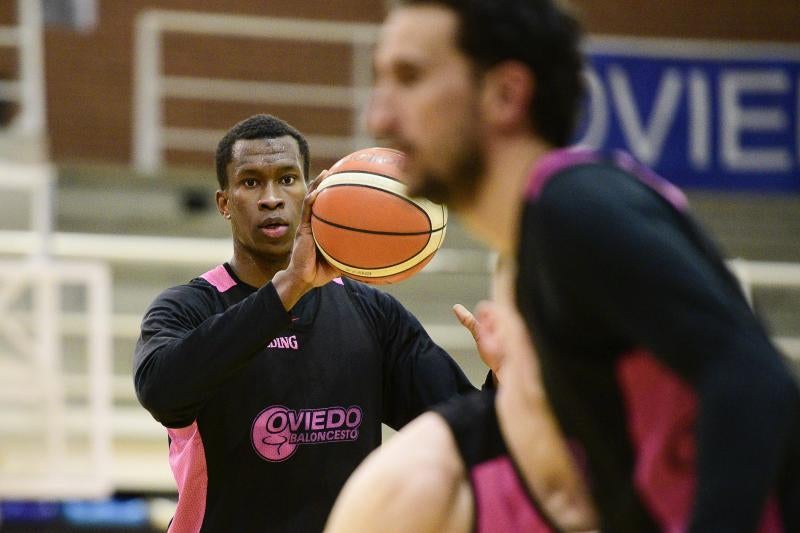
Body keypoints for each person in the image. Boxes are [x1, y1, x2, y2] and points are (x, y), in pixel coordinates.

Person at [333, 1, 800, 532]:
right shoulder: (541, 239)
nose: (379, 117)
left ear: (505, 94)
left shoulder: (572, 207)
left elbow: (754, 378)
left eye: (410, 77)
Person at [133, 113, 494, 533]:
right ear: (225, 203)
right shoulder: (187, 307)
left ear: (311, 191)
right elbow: (161, 391)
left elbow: (464, 434)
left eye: (287, 179)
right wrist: (286, 289)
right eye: (251, 182)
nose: (272, 197)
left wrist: (505, 379)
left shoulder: (372, 313)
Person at [326, 258, 598, 532]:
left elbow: (460, 416)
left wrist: (508, 387)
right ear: (495, 327)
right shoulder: (411, 483)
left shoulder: (627, 448)